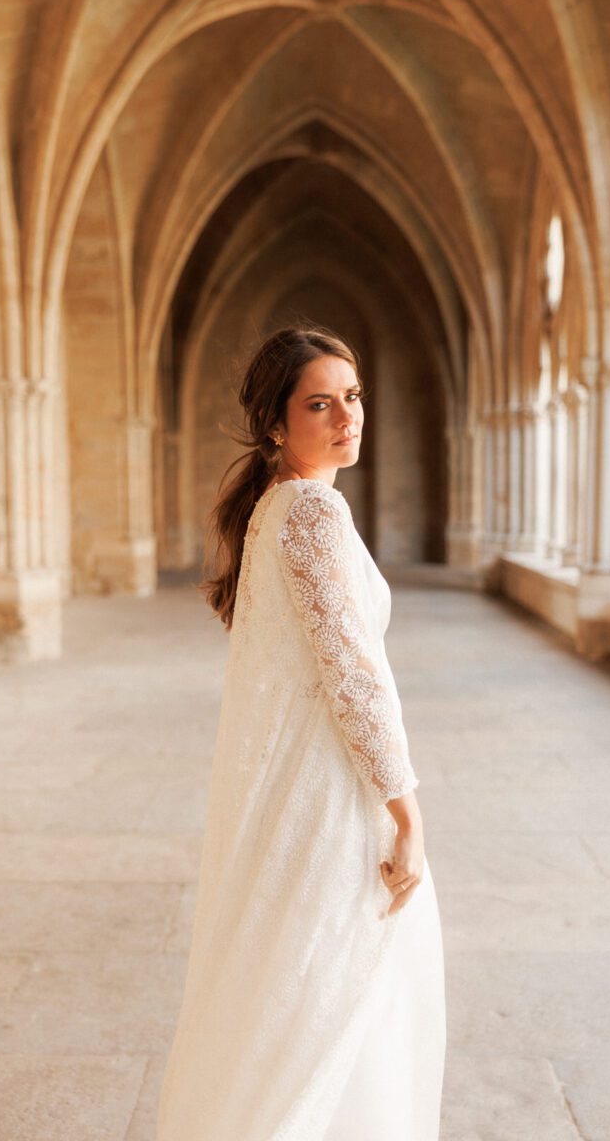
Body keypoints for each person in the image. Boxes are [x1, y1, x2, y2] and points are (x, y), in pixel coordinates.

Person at [156, 323, 446, 1140]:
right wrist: (406, 812)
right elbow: (352, 676)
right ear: (277, 424)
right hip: (329, 796)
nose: (347, 415)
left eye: (352, 397)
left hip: (303, 784)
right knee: (335, 1002)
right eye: (321, 403)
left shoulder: (282, 504)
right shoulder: (310, 513)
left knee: (294, 997)